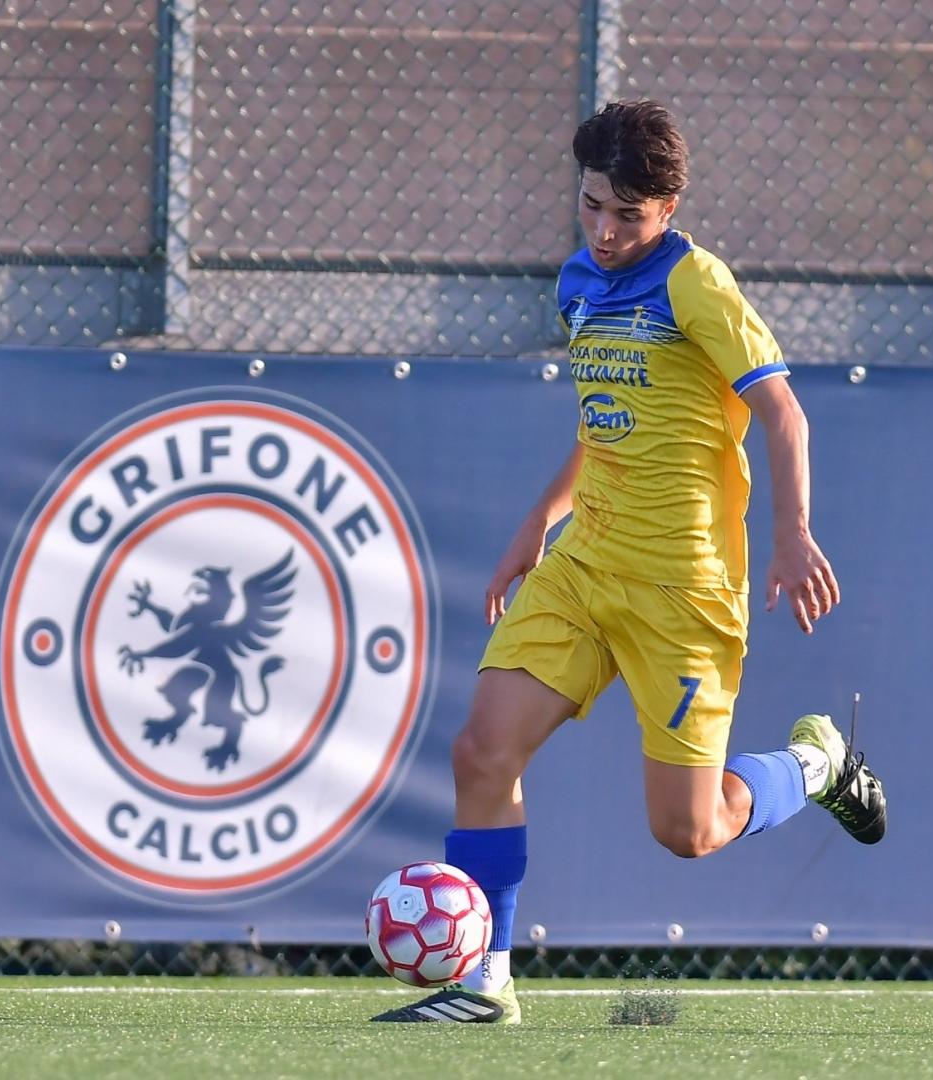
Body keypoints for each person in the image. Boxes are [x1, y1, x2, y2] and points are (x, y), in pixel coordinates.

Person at [375, 100, 886, 1025]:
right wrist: (539, 521)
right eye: (592, 206)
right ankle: (484, 980)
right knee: (482, 752)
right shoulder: (577, 281)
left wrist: (793, 533)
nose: (605, 232)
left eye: (628, 215)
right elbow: (605, 423)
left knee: (688, 831)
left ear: (669, 208)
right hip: (584, 566)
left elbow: (782, 412)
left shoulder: (696, 284)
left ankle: (814, 766)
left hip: (682, 590)